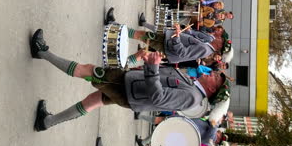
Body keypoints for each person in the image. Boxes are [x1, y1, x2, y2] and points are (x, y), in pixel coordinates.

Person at [30, 29, 228, 132]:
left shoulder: (192, 97)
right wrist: (143, 63)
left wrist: (152, 67)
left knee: (88, 71)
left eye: (215, 78)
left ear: (212, 89)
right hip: (131, 87)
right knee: (93, 100)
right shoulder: (193, 87)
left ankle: (42, 52)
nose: (212, 73)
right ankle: (47, 122)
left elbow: (158, 98)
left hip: (128, 89)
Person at [135, 116, 226, 146]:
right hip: (184, 125)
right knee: (162, 127)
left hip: (183, 128)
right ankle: (143, 142)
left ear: (218, 139)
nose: (219, 133)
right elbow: (211, 121)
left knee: (162, 123)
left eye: (220, 135)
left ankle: (140, 116)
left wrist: (218, 121)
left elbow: (213, 127)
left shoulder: (211, 139)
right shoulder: (211, 129)